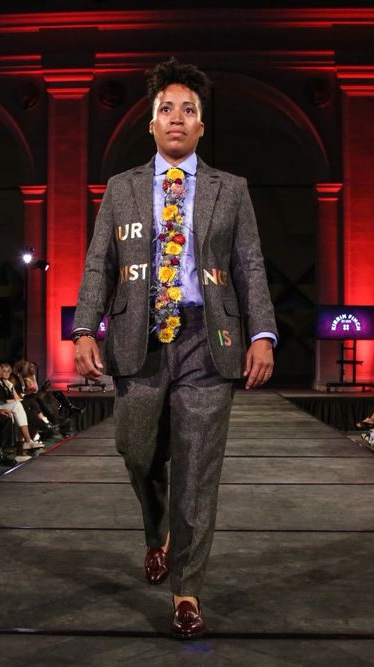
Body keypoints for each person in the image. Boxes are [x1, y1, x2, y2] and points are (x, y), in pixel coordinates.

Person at [72, 58, 277, 640]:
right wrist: (85, 327)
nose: (178, 118)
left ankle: (188, 589)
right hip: (138, 336)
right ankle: (155, 527)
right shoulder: (121, 189)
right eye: (168, 108)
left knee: (197, 469)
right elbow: (98, 264)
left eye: (189, 110)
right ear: (151, 122)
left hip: (208, 341)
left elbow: (250, 266)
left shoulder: (230, 190)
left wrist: (262, 334)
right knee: (137, 452)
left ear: (202, 125)